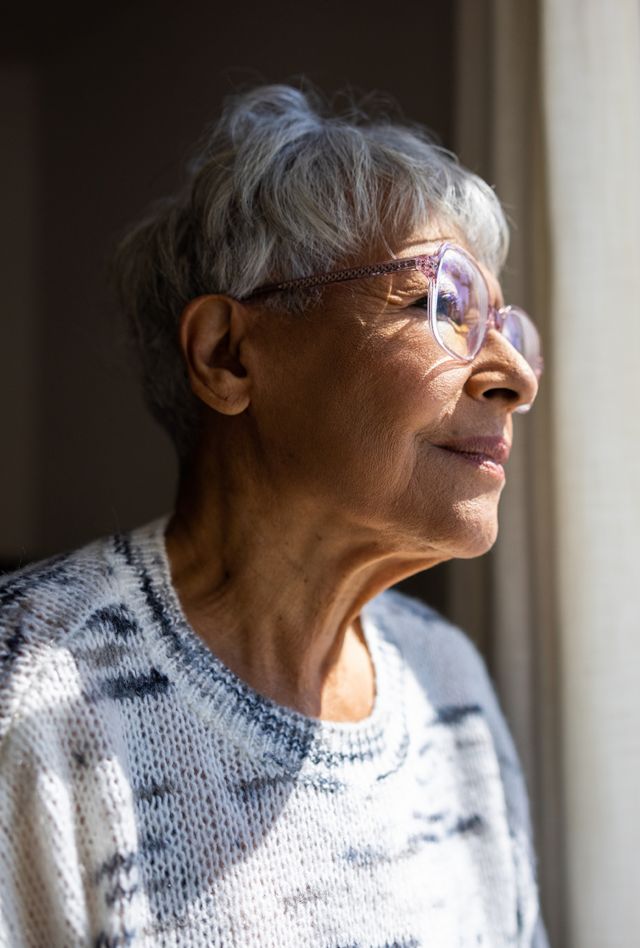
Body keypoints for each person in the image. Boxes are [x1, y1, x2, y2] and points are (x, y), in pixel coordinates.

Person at [0, 84, 549, 947]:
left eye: (509, 327)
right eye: (438, 305)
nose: (515, 375)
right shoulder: (29, 691)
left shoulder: (449, 686)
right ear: (227, 355)